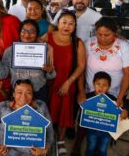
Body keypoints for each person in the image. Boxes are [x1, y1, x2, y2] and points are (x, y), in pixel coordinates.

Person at [42, 10, 86, 152]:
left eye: (71, 24)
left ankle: (60, 140)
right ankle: (47, 139)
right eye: (64, 23)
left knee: (64, 112)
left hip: (67, 82)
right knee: (47, 111)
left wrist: (69, 82)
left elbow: (81, 66)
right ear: (58, 23)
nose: (67, 26)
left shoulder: (77, 43)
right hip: (48, 82)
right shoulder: (46, 37)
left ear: (75, 26)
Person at [0, 79, 53, 156]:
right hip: (6, 153)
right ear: (13, 94)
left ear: (32, 94)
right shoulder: (3, 106)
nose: (23, 97)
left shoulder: (41, 106)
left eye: (28, 93)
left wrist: (45, 150)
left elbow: (49, 131)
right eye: (19, 92)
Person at [0, 19, 55, 103]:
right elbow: (2, 75)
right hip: (18, 93)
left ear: (37, 34)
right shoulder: (10, 51)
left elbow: (51, 76)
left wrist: (50, 70)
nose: (27, 34)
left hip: (39, 92)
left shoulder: (44, 50)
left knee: (38, 116)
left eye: (32, 31)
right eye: (24, 31)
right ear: (19, 33)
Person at [79, 17, 129, 106]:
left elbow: (127, 74)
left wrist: (120, 97)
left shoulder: (124, 47)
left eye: (107, 35)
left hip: (114, 95)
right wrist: (81, 91)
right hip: (91, 93)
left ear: (114, 33)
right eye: (99, 34)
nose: (103, 38)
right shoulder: (88, 44)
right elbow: (81, 69)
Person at [85, 72, 128, 156]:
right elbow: (82, 107)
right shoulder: (88, 97)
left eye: (104, 85)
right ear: (93, 84)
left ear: (108, 87)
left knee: (103, 150)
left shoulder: (112, 99)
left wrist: (124, 111)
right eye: (98, 84)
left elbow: (121, 110)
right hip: (91, 130)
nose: (101, 87)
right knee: (90, 147)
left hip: (107, 131)